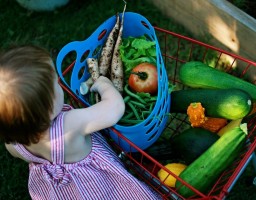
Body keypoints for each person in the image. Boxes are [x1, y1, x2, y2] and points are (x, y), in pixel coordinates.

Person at [0, 45, 161, 200]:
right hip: (101, 186)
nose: (59, 82)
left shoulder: (15, 144)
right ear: (49, 107)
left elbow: (16, 151)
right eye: (56, 83)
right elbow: (114, 109)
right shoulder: (70, 124)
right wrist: (105, 86)